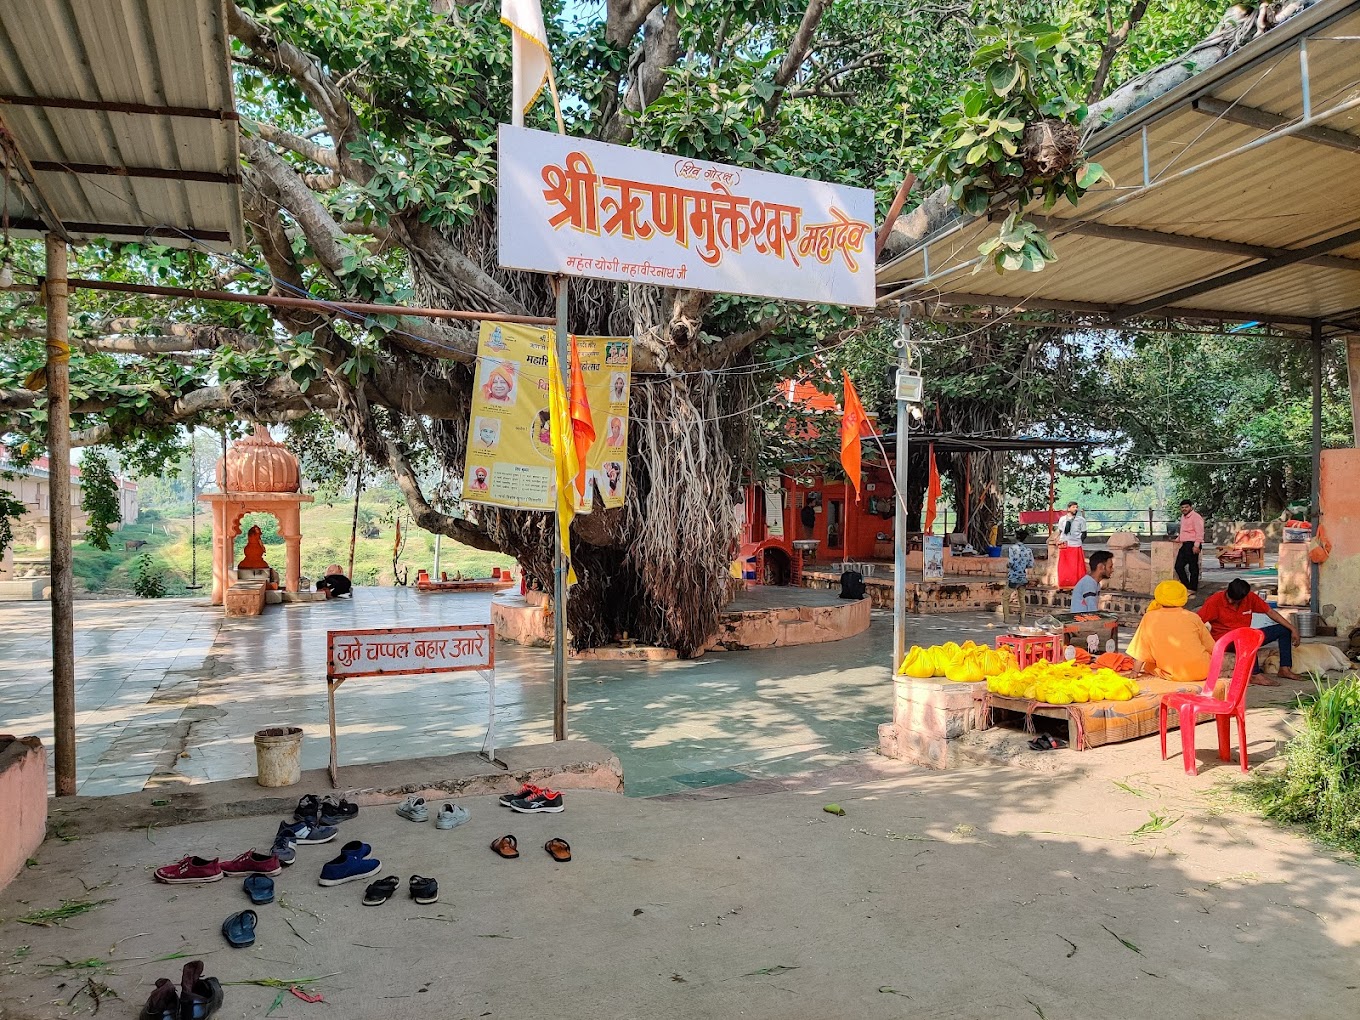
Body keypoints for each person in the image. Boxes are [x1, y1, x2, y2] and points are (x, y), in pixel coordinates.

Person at [1197, 578, 1301, 685]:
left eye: (1235, 600)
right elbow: (1197, 622)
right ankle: (1255, 675)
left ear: (1243, 597)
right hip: (1226, 641)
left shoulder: (1250, 597)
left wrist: (1293, 629)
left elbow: (1270, 612)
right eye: (1229, 598)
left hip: (1246, 635)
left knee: (1283, 630)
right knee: (1246, 639)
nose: (1230, 601)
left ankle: (1285, 669)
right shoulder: (1214, 601)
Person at [1126, 580, 1216, 683]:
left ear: (1159, 595)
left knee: (1149, 666)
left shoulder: (1149, 617)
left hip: (1175, 674)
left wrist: (1135, 672)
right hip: (1203, 670)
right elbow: (1211, 647)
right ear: (1183, 597)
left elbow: (1141, 651)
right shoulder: (1193, 617)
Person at [1054, 501, 1087, 589]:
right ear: (1068, 508)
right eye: (1073, 507)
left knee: (1076, 567)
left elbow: (1084, 533)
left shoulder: (1081, 520)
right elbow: (1061, 531)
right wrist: (1059, 540)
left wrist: (1079, 541)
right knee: (1064, 566)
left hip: (1075, 544)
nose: (1075, 509)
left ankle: (1077, 585)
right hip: (1065, 544)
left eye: (1076, 507)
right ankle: (1064, 584)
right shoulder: (1062, 519)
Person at [1174, 499, 1205, 592]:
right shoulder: (1183, 517)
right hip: (1185, 544)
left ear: (1191, 507)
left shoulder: (1196, 517)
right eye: (1182, 507)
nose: (1184, 509)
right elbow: (1183, 531)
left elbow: (1200, 532)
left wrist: (1196, 545)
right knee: (1178, 566)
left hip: (1193, 543)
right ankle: (1187, 586)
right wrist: (1177, 540)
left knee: (1193, 567)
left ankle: (1192, 587)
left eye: (1186, 507)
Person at [1003, 537, 1034, 624]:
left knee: (1005, 598)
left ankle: (1006, 619)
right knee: (1022, 599)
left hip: (1013, 577)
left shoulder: (1012, 549)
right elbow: (1030, 565)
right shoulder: (1028, 550)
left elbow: (1011, 563)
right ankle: (1022, 619)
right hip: (1023, 577)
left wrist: (1008, 566)